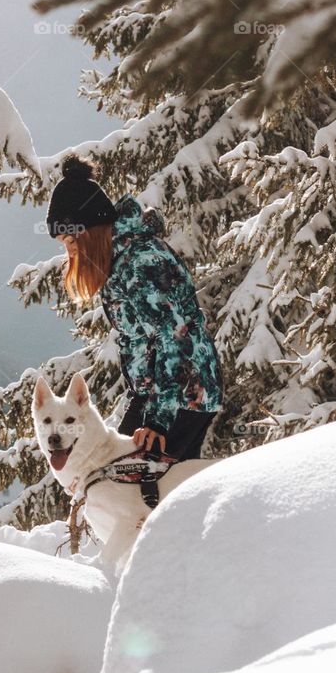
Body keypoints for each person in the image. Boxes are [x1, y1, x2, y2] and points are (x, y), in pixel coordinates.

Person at [46, 154, 222, 462]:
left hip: (186, 396)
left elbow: (174, 337)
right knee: (124, 476)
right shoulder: (116, 266)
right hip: (159, 398)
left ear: (89, 230)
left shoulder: (142, 261)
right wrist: (140, 400)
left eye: (71, 240)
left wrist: (158, 420)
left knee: (139, 485)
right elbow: (136, 340)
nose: (69, 251)